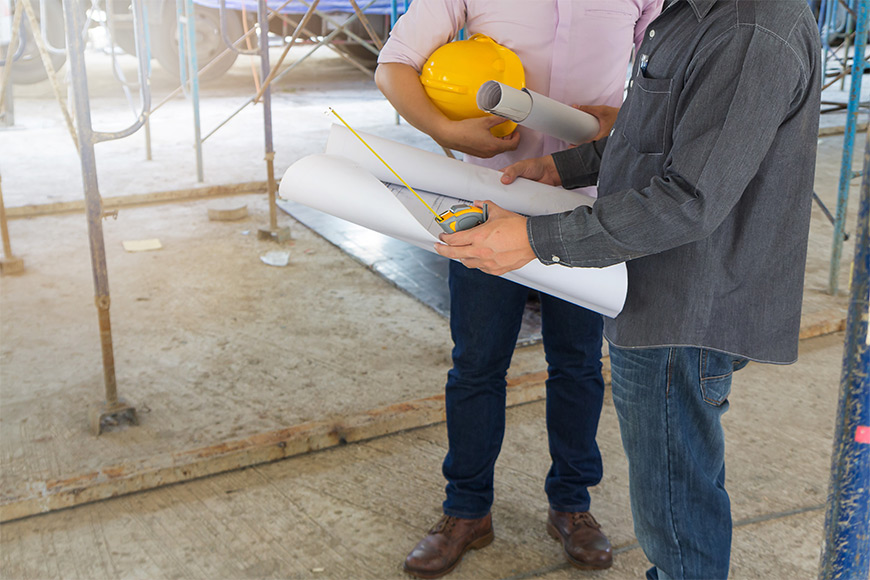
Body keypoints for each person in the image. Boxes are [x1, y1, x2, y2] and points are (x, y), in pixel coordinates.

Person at [434, 1, 822, 578]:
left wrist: (537, 239)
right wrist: (566, 170)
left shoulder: (747, 29)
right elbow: (658, 140)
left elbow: (689, 199)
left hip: (681, 305)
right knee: (674, 495)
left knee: (676, 517)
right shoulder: (691, 16)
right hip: (654, 287)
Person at [374, 1, 662, 578]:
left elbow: (673, 83)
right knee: (477, 363)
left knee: (578, 363)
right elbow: (394, 64)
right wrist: (448, 130)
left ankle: (572, 505)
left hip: (584, 210)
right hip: (488, 202)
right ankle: (467, 510)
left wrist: (624, 117)